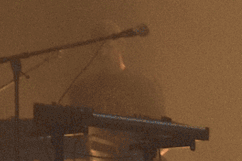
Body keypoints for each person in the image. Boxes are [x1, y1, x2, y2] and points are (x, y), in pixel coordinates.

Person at [62, 23, 167, 161]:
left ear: (121, 45)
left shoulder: (144, 85)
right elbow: (75, 137)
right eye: (97, 48)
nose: (102, 53)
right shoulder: (82, 89)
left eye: (107, 46)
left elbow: (163, 135)